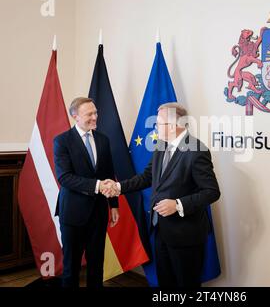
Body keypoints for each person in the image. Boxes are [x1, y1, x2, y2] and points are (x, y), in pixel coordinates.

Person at [103, 102, 220, 287]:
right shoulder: (161, 146)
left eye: (159, 123)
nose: (156, 127)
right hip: (160, 230)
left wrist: (178, 204)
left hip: (185, 235)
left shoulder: (196, 150)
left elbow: (212, 191)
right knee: (166, 283)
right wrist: (118, 187)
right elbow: (146, 177)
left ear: (173, 126)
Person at [53, 97, 119, 287]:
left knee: (97, 265)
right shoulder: (62, 141)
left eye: (95, 112)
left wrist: (113, 205)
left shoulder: (103, 140)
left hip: (98, 213)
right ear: (75, 116)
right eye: (89, 114)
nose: (95, 117)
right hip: (73, 214)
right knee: (71, 267)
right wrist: (98, 186)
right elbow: (65, 177)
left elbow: (109, 174)